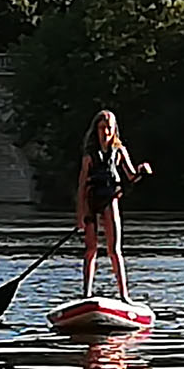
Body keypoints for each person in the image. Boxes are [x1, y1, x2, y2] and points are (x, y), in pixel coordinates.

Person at [75, 109, 151, 300]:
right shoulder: (89, 156)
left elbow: (131, 176)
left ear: (114, 129)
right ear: (97, 130)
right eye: (102, 128)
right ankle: (86, 293)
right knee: (91, 249)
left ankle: (124, 295)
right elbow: (82, 186)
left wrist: (143, 170)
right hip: (92, 201)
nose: (105, 132)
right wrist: (80, 217)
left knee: (114, 249)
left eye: (108, 128)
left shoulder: (119, 151)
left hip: (110, 200)